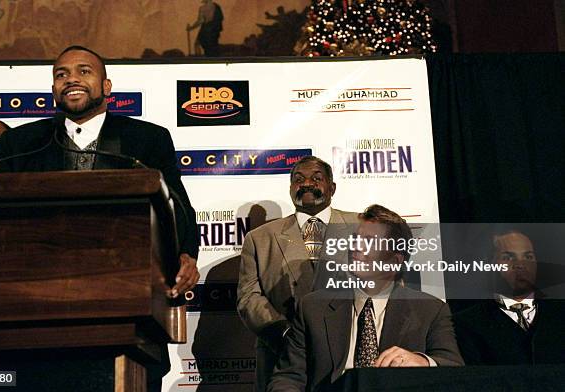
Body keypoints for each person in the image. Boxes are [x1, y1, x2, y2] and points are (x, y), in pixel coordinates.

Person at [0, 45, 200, 298]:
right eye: (61, 75)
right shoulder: (20, 143)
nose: (71, 79)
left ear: (106, 86)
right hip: (41, 287)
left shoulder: (147, 139)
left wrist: (186, 254)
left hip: (128, 285)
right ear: (53, 91)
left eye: (84, 71)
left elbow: (177, 206)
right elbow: (0, 216)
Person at [268, 205, 463, 392]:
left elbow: (455, 369)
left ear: (395, 261)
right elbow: (288, 377)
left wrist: (422, 361)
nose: (356, 247)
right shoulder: (313, 307)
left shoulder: (430, 310)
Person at [237, 155, 359, 392]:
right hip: (282, 355)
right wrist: (285, 334)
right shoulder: (259, 238)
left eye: (317, 178)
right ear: (291, 187)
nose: (306, 184)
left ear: (332, 187)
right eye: (298, 179)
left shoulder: (362, 226)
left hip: (350, 350)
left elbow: (385, 282)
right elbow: (248, 298)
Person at [454, 230, 565, 365]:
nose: (520, 264)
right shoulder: (467, 323)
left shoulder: (560, 313)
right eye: (508, 257)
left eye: (528, 257)